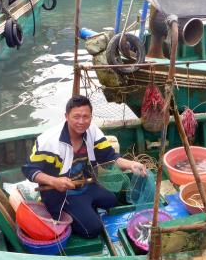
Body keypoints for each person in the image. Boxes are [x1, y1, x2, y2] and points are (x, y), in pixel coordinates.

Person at [22, 95, 147, 238]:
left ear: (91, 117)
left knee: (112, 201)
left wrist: (131, 164)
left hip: (85, 183)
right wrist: (54, 182)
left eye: (86, 117)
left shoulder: (92, 132)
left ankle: (84, 209)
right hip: (63, 194)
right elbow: (29, 170)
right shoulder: (49, 141)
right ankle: (70, 213)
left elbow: (109, 156)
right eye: (76, 116)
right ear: (66, 116)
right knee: (92, 230)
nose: (81, 122)